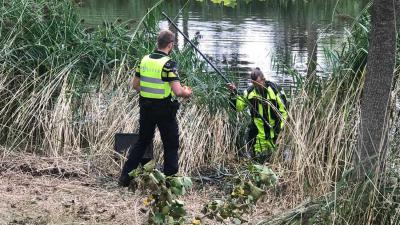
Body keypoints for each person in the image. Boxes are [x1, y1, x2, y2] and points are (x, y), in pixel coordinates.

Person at [119, 30, 192, 187]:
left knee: (142, 141)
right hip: (164, 109)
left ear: (158, 43)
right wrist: (187, 93)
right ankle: (170, 182)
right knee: (170, 143)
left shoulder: (144, 60)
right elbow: (178, 92)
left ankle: (125, 177)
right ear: (170, 45)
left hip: (146, 107)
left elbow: (135, 85)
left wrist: (149, 93)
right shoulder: (169, 64)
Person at [228, 68, 288, 163]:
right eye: (254, 84)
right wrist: (233, 93)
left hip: (275, 133)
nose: (257, 86)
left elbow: (285, 111)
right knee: (259, 161)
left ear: (263, 79)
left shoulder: (276, 90)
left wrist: (280, 128)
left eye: (258, 83)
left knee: (277, 158)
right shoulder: (249, 92)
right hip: (258, 135)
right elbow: (238, 107)